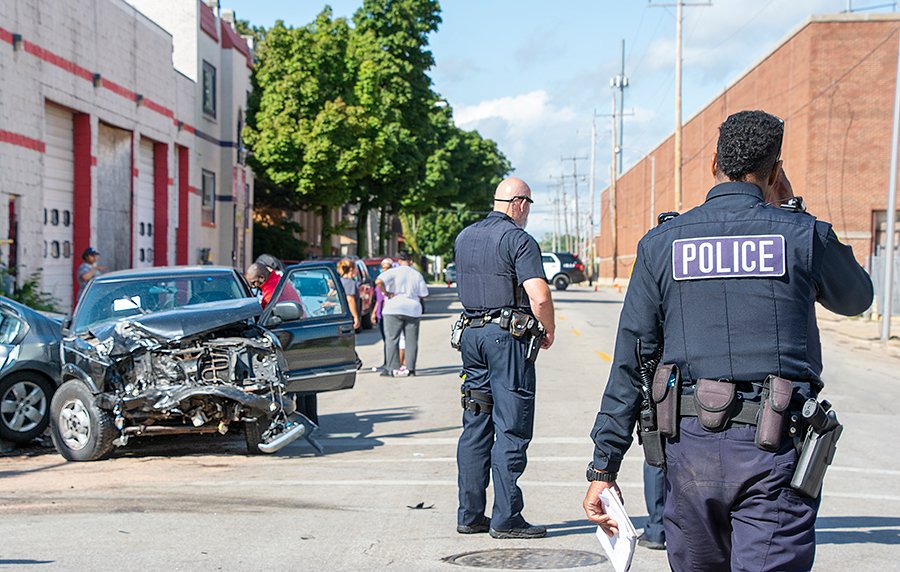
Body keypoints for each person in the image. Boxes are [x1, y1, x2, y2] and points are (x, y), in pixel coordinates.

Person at [582, 110, 873, 571]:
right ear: (775, 171)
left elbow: (632, 360)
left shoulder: (663, 243)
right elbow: (857, 297)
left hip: (688, 455)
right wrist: (793, 208)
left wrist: (604, 468)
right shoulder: (800, 235)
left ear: (713, 162)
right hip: (773, 453)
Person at [454, 177, 555, 539]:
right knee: (511, 426)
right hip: (506, 340)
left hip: (471, 335)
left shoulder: (464, 237)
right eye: (528, 204)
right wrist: (548, 330)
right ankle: (506, 518)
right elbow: (539, 296)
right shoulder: (518, 239)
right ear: (519, 203)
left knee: (476, 423)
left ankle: (470, 514)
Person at [376, 252, 429, 377]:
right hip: (412, 308)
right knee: (411, 340)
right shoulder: (416, 274)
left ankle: (391, 368)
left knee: (392, 339)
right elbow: (424, 293)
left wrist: (387, 292)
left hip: (393, 307)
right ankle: (410, 369)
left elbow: (378, 281)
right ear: (410, 261)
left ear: (399, 260)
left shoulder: (393, 272)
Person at [337, 258, 361, 331]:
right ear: (351, 270)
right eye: (356, 269)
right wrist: (355, 317)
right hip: (347, 317)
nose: (357, 271)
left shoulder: (340, 281)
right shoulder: (350, 283)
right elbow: (350, 300)